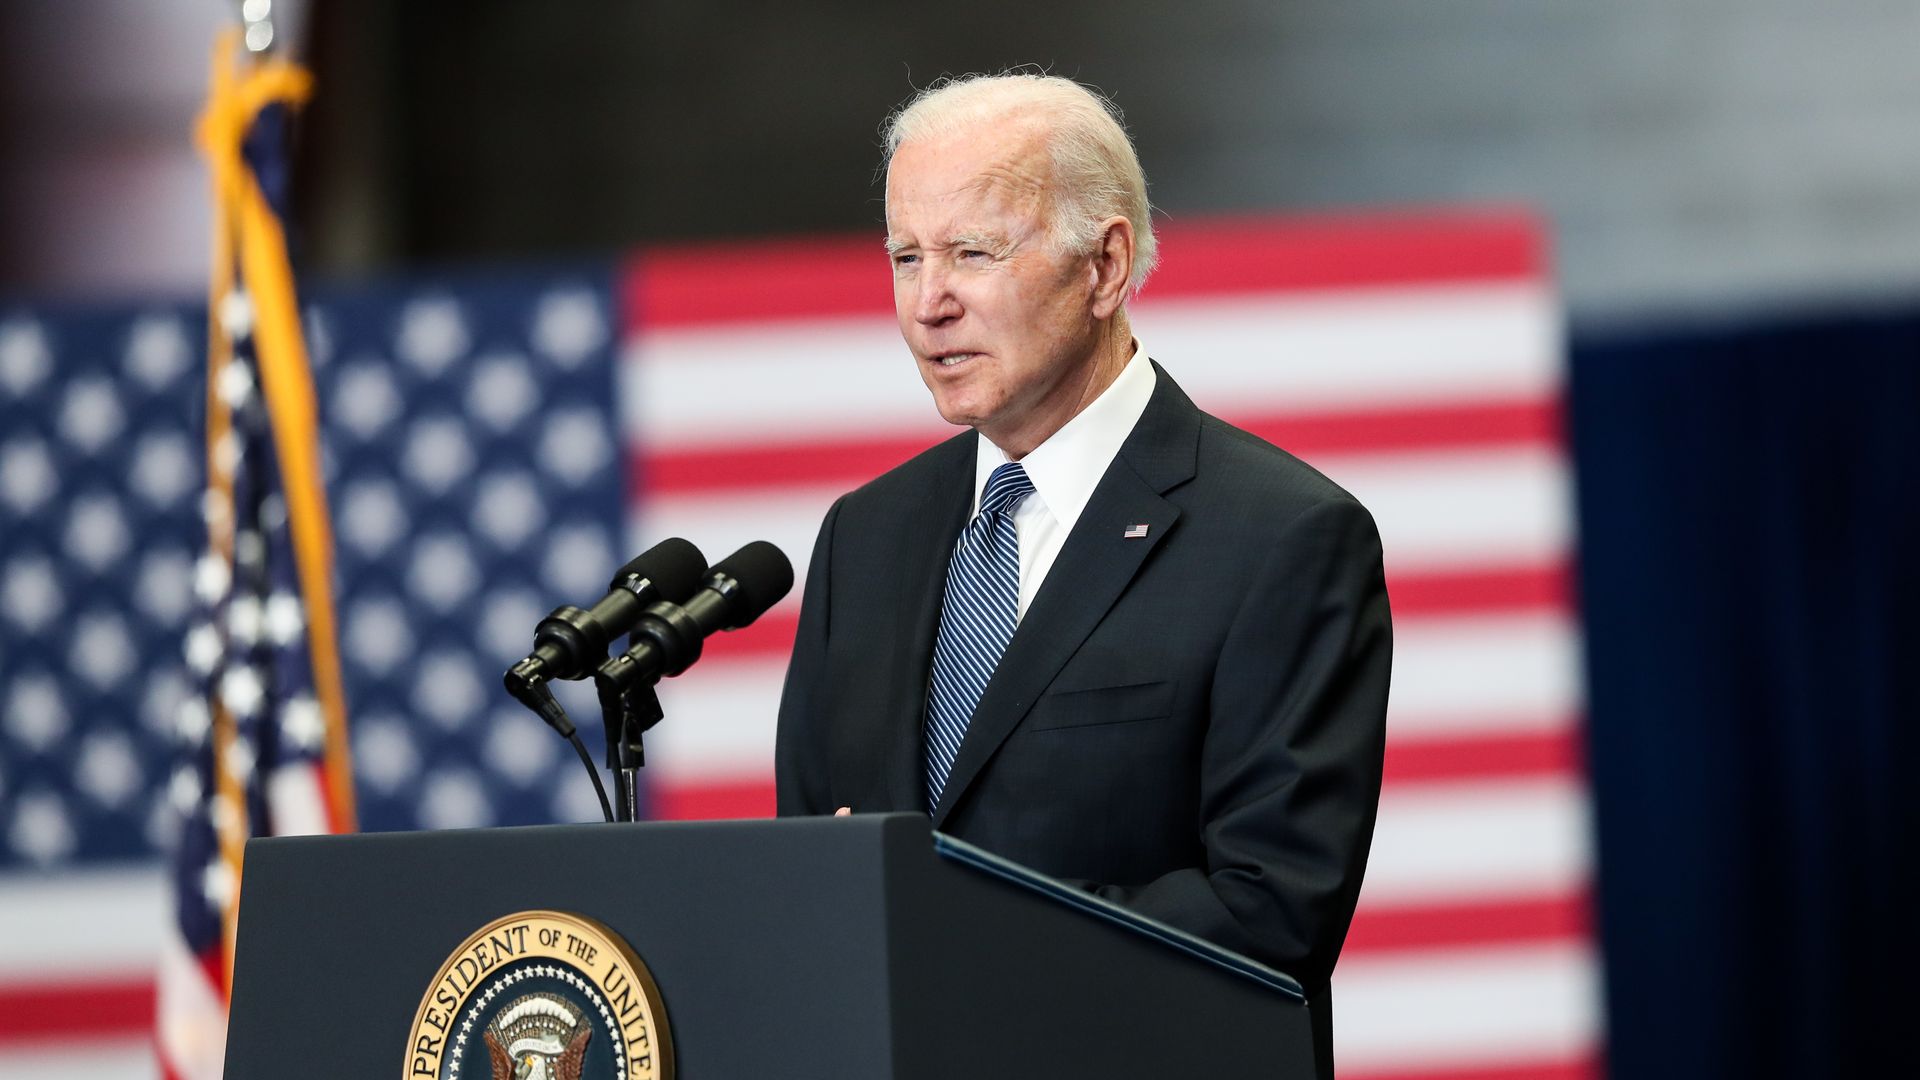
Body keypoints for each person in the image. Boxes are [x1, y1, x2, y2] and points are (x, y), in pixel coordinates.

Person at [774, 72, 1390, 1078]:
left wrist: (951, 936)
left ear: (1105, 267)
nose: (930, 303)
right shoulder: (864, 538)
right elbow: (811, 874)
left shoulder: (1284, 537)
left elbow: (1271, 905)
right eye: (906, 256)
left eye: (973, 252)